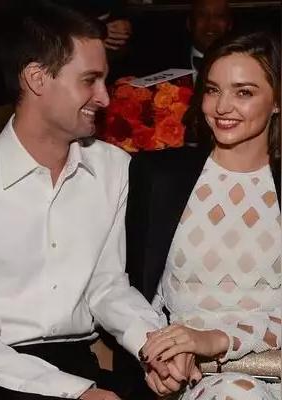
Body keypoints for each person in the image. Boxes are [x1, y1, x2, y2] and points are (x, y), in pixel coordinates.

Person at [0, 4, 187, 399]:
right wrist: (77, 392)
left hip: (79, 360)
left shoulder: (114, 169)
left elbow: (107, 287)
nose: (104, 97)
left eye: (104, 80)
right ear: (37, 78)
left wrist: (156, 346)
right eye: (89, 80)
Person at [129, 31, 280, 398]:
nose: (222, 106)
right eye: (213, 90)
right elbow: (136, 289)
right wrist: (156, 356)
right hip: (195, 381)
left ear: (277, 101)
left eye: (244, 92)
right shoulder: (161, 177)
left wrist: (217, 339)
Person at [186, 0, 232, 79]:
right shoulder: (165, 65)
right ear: (189, 23)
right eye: (202, 15)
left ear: (230, 24)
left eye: (219, 15)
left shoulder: (246, 65)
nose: (211, 23)